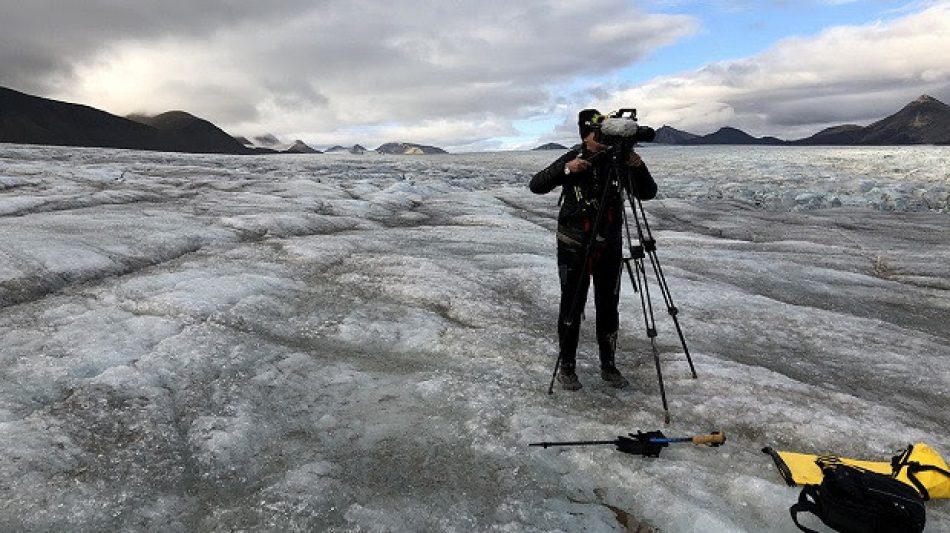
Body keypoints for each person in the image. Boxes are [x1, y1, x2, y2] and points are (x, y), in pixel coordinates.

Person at [529, 109, 657, 390]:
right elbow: (536, 185)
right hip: (574, 244)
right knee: (572, 305)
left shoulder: (619, 162)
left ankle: (608, 365)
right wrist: (566, 169)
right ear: (585, 135)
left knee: (608, 306)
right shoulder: (574, 157)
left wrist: (636, 166)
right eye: (598, 135)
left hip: (609, 244)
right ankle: (567, 366)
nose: (603, 141)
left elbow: (648, 193)